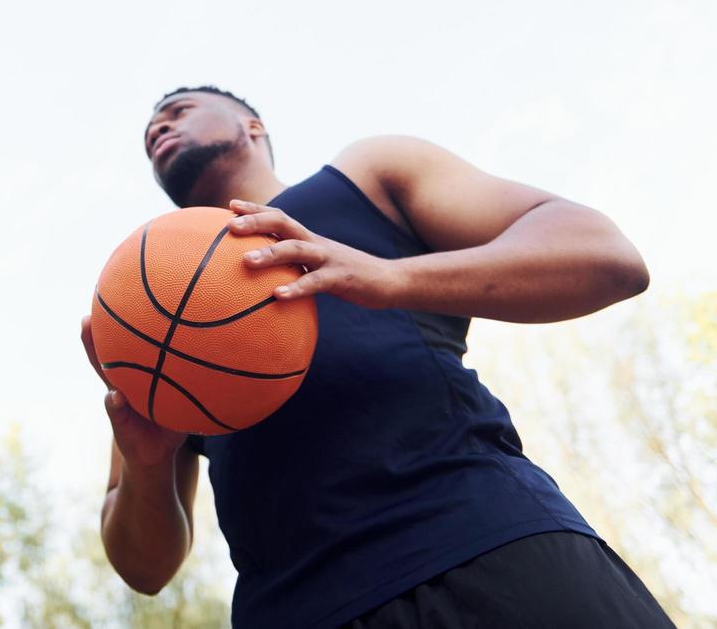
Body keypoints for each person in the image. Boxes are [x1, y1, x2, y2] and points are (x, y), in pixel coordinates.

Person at [79, 85, 676, 628]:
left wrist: (388, 277)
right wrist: (148, 466)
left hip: (490, 544)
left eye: (179, 110)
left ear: (253, 125)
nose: (158, 126)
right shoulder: (142, 304)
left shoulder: (365, 177)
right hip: (298, 611)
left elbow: (605, 256)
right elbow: (144, 570)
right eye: (150, 127)